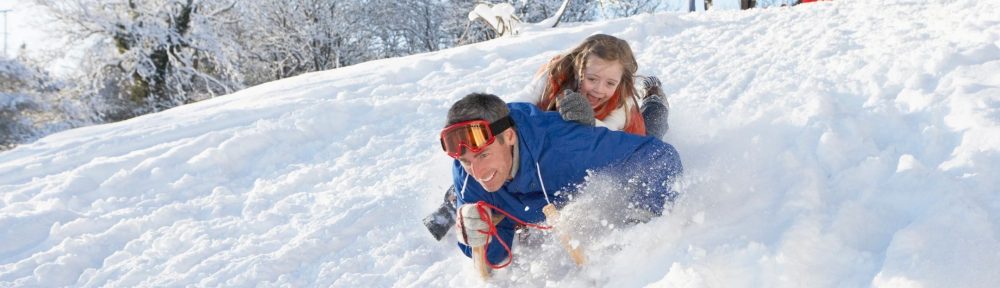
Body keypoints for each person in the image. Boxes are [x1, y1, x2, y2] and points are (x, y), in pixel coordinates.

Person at [422, 33, 671, 240]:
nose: (598, 89)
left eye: (609, 83)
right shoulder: (555, 77)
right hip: (545, 140)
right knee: (486, 154)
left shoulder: (621, 103)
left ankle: (655, 98)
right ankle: (452, 202)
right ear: (578, 69)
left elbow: (601, 145)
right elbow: (517, 107)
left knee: (653, 131)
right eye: (592, 78)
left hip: (612, 134)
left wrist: (588, 123)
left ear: (620, 83)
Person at [440, 93, 683, 269]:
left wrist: (642, 221)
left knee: (643, 130)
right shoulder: (466, 176)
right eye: (465, 160)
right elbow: (494, 257)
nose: (477, 171)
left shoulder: (567, 148)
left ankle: (654, 103)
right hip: (545, 194)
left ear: (509, 136)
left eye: (483, 155)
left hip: (599, 138)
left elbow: (659, 156)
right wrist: (475, 238)